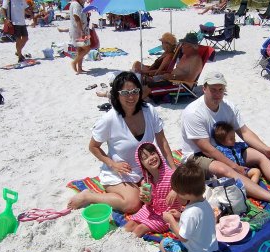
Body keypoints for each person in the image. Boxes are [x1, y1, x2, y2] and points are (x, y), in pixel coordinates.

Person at [181, 71, 270, 214]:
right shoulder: (194, 113)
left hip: (224, 147)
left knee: (260, 156)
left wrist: (266, 149)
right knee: (225, 170)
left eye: (220, 90)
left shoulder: (228, 106)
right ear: (204, 89)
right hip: (197, 156)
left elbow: (245, 132)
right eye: (213, 90)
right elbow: (207, 149)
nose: (217, 94)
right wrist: (234, 165)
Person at [67, 72, 176, 213]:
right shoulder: (109, 119)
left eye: (135, 91)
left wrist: (173, 169)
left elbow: (162, 141)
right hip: (119, 172)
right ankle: (90, 196)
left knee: (170, 194)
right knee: (133, 204)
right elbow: (93, 147)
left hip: (146, 169)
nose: (131, 97)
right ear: (117, 95)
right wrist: (113, 164)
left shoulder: (149, 111)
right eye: (125, 92)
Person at [160, 161, 219, 252]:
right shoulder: (205, 203)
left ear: (185, 195)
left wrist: (171, 220)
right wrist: (180, 215)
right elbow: (199, 220)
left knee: (164, 243)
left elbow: (183, 238)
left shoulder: (190, 213)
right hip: (211, 249)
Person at [125, 143, 181, 237]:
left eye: (152, 153)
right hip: (150, 210)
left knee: (140, 228)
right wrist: (146, 199)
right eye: (145, 158)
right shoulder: (146, 180)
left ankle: (128, 245)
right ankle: (119, 240)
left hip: (167, 215)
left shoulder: (171, 176)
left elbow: (184, 186)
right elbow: (148, 203)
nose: (151, 158)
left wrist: (175, 190)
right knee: (131, 223)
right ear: (142, 164)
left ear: (158, 154)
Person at [142, 32, 203, 99]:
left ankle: (136, 105)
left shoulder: (196, 60)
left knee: (148, 88)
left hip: (181, 86)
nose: (181, 46)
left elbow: (190, 79)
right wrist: (168, 76)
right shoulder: (185, 56)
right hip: (172, 80)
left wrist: (173, 77)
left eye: (183, 44)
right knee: (146, 80)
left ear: (190, 46)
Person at [69, 0, 90, 74]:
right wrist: (81, 31)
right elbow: (77, 18)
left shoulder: (78, 4)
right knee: (87, 48)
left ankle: (79, 69)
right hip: (78, 31)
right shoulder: (76, 4)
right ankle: (74, 62)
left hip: (78, 30)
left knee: (80, 50)